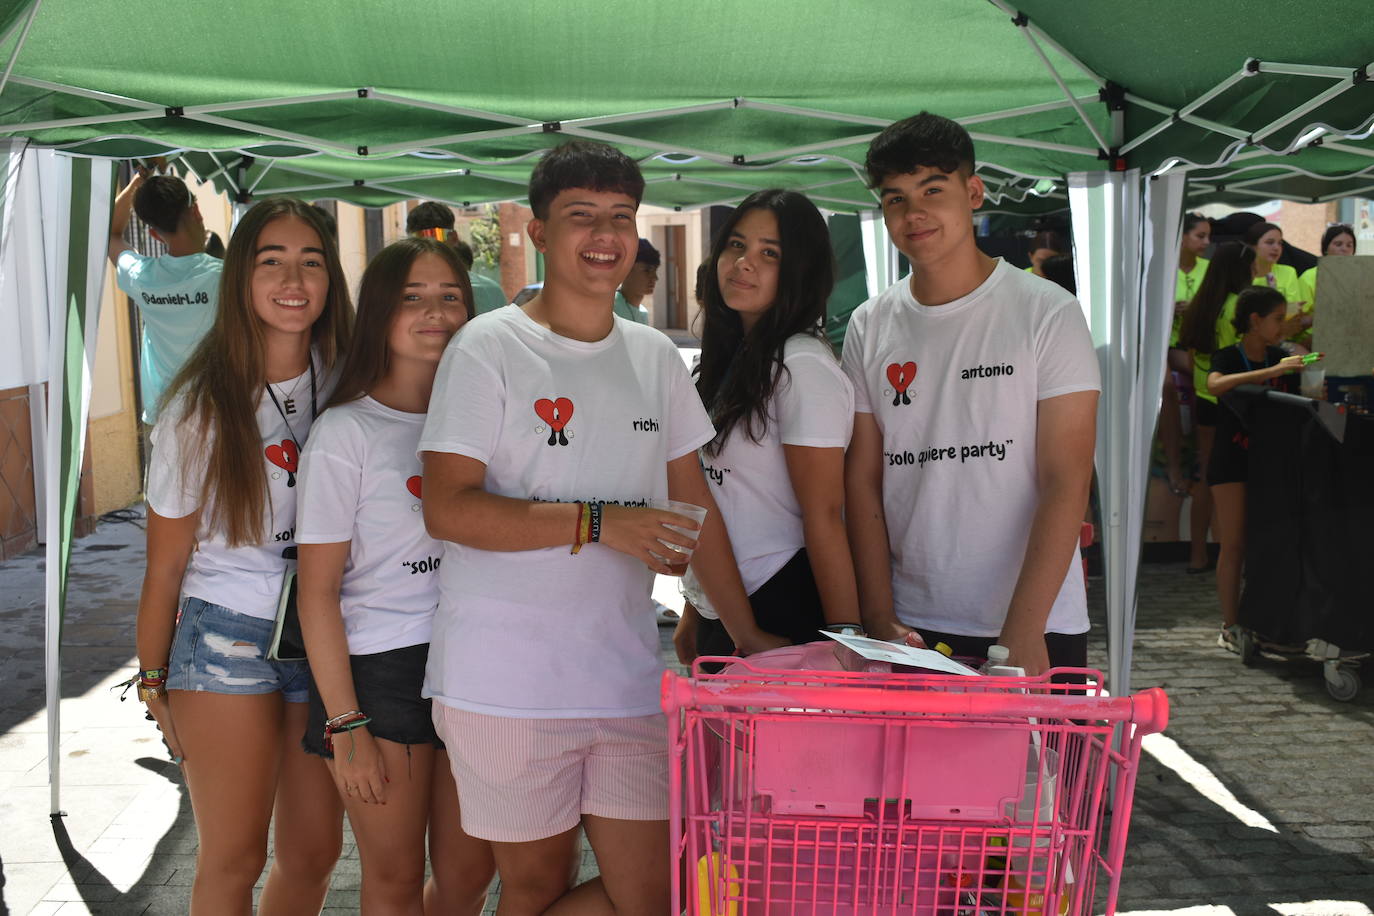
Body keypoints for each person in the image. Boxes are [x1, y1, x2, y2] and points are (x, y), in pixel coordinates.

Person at [418, 140, 779, 915]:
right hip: (503, 684)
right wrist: (599, 522)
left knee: (652, 893)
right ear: (540, 233)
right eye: (581, 216)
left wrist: (745, 636)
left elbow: (696, 510)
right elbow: (448, 507)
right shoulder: (488, 348)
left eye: (620, 216)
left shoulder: (653, 356)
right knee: (537, 885)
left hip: (619, 677)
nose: (604, 235)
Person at [134, 198, 353, 913]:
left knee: (315, 852)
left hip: (323, 635)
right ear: (241, 280)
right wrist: (153, 680)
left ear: (330, 280)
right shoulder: (198, 408)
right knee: (233, 857)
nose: (293, 279)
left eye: (310, 261)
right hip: (226, 637)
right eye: (271, 262)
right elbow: (164, 565)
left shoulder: (348, 383)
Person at [842, 113, 1100, 675]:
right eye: (895, 199)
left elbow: (1068, 477)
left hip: (1034, 624)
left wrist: (1022, 633)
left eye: (933, 190)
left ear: (973, 192)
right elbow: (862, 479)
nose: (914, 213)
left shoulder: (1046, 311)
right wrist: (879, 614)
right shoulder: (869, 324)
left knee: (1047, 770)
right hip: (912, 625)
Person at [295, 237, 495, 914]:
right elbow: (317, 592)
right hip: (379, 673)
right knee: (394, 876)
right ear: (379, 311)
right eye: (411, 297)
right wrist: (345, 724)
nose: (434, 311)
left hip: (474, 663)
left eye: (450, 296)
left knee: (470, 873)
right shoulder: (344, 433)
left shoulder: (485, 422)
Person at [671, 189, 862, 667]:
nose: (744, 263)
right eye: (736, 245)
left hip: (780, 606)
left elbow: (826, 514)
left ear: (801, 269)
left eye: (769, 253)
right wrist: (697, 608)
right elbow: (721, 498)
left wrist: (845, 639)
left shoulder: (802, 366)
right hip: (730, 609)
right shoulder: (735, 358)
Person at [1205, 286, 1308, 652]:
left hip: (1274, 465)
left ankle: (1268, 622)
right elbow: (1214, 385)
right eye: (1278, 319)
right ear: (1255, 320)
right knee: (1233, 545)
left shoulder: (1284, 357)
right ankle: (1231, 626)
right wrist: (1270, 372)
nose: (1283, 327)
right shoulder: (1229, 356)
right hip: (1232, 461)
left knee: (1270, 544)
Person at [107, 163, 220, 424]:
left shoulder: (141, 277)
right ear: (197, 212)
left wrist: (137, 182)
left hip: (165, 417)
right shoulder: (228, 277)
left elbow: (112, 232)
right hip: (216, 413)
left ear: (155, 234)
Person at [1176, 241, 1256, 576]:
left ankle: (1197, 554)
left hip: (1203, 400)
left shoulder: (1202, 305)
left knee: (1206, 477)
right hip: (1229, 402)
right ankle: (1230, 555)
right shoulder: (1237, 306)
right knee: (1229, 482)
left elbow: (1193, 358)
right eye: (1251, 267)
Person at [1170, 214, 1212, 565]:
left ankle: (1197, 456)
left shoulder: (1208, 269)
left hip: (1196, 348)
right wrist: (1168, 311)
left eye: (1207, 237)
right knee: (1175, 384)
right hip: (1166, 346)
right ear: (1182, 237)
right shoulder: (1162, 267)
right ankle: (1176, 465)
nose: (1204, 242)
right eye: (1199, 236)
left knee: (1201, 378)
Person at [407, 200, 508, 314]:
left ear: (454, 238)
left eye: (438, 237)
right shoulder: (489, 290)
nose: (430, 248)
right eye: (420, 240)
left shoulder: (489, 290)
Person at [1299, 223, 1356, 305]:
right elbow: (1302, 312)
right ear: (1325, 248)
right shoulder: (1309, 277)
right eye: (1338, 244)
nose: (1344, 249)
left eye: (1349, 245)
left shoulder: (1363, 275)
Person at [613, 238, 658, 324]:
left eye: (655, 270)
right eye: (647, 270)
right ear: (626, 270)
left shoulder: (643, 313)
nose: (654, 277)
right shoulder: (610, 309)